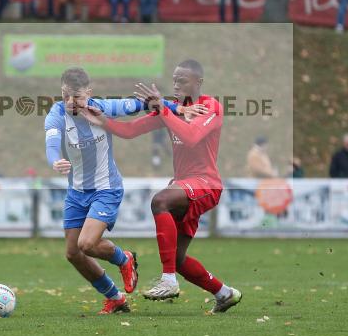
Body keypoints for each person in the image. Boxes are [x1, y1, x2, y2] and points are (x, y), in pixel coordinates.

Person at [82, 60, 242, 313]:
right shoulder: (172, 109)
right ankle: (225, 293)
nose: (176, 85)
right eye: (175, 80)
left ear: (198, 82)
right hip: (184, 184)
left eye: (183, 80)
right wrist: (100, 119)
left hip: (206, 183)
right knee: (178, 259)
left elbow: (191, 137)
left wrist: (164, 110)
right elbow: (130, 131)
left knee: (160, 201)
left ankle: (168, 280)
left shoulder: (211, 107)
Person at [43, 68, 194, 314]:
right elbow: (51, 142)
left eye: (77, 97)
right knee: (73, 253)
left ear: (88, 94)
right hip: (77, 192)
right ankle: (115, 298)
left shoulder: (103, 108)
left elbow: (141, 103)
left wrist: (179, 109)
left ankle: (124, 259)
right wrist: (54, 160)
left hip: (106, 189)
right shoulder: (56, 114)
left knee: (87, 243)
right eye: (65, 95)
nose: (71, 102)